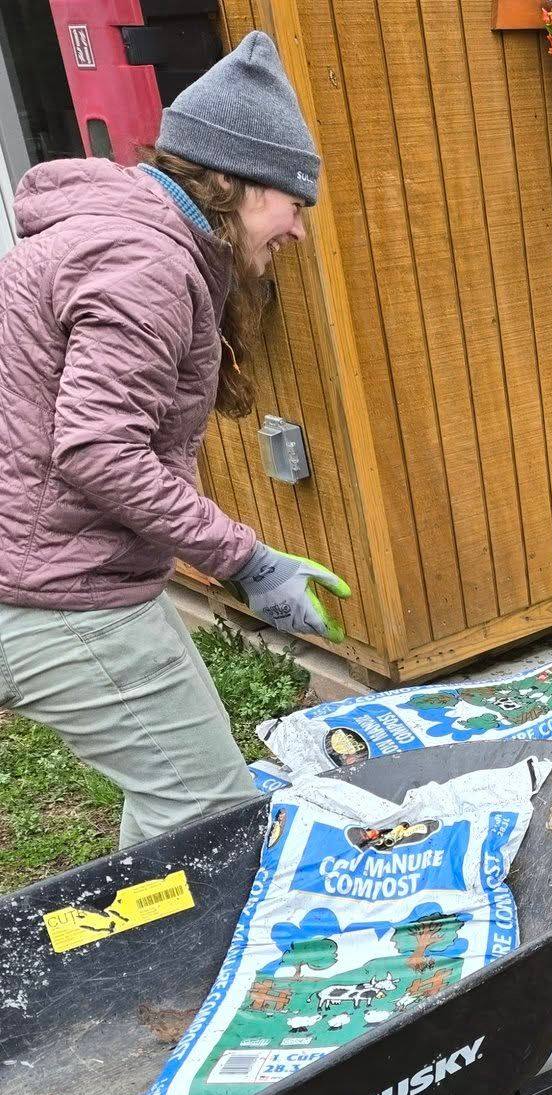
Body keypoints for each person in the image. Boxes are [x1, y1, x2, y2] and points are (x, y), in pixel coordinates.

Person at [0, 31, 348, 848]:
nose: (298, 229)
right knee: (209, 814)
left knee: (179, 784)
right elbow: (96, 450)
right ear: (227, 180)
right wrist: (247, 559)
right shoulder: (147, 264)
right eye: (292, 202)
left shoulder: (117, 235)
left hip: (52, 567)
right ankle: (149, 971)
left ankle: (131, 933)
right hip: (56, 593)